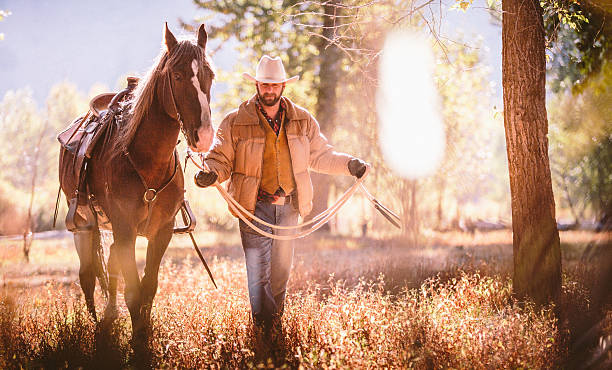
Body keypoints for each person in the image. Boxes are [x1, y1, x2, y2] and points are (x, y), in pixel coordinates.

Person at [194, 55, 367, 336]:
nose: (269, 90)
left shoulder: (302, 120)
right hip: (253, 209)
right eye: (264, 85)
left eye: (274, 85)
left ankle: (273, 330)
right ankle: (265, 333)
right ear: (257, 86)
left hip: (288, 209)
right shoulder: (236, 121)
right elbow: (221, 158)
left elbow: (322, 156)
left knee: (280, 275)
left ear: (283, 86)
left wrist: (350, 165)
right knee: (258, 276)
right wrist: (211, 173)